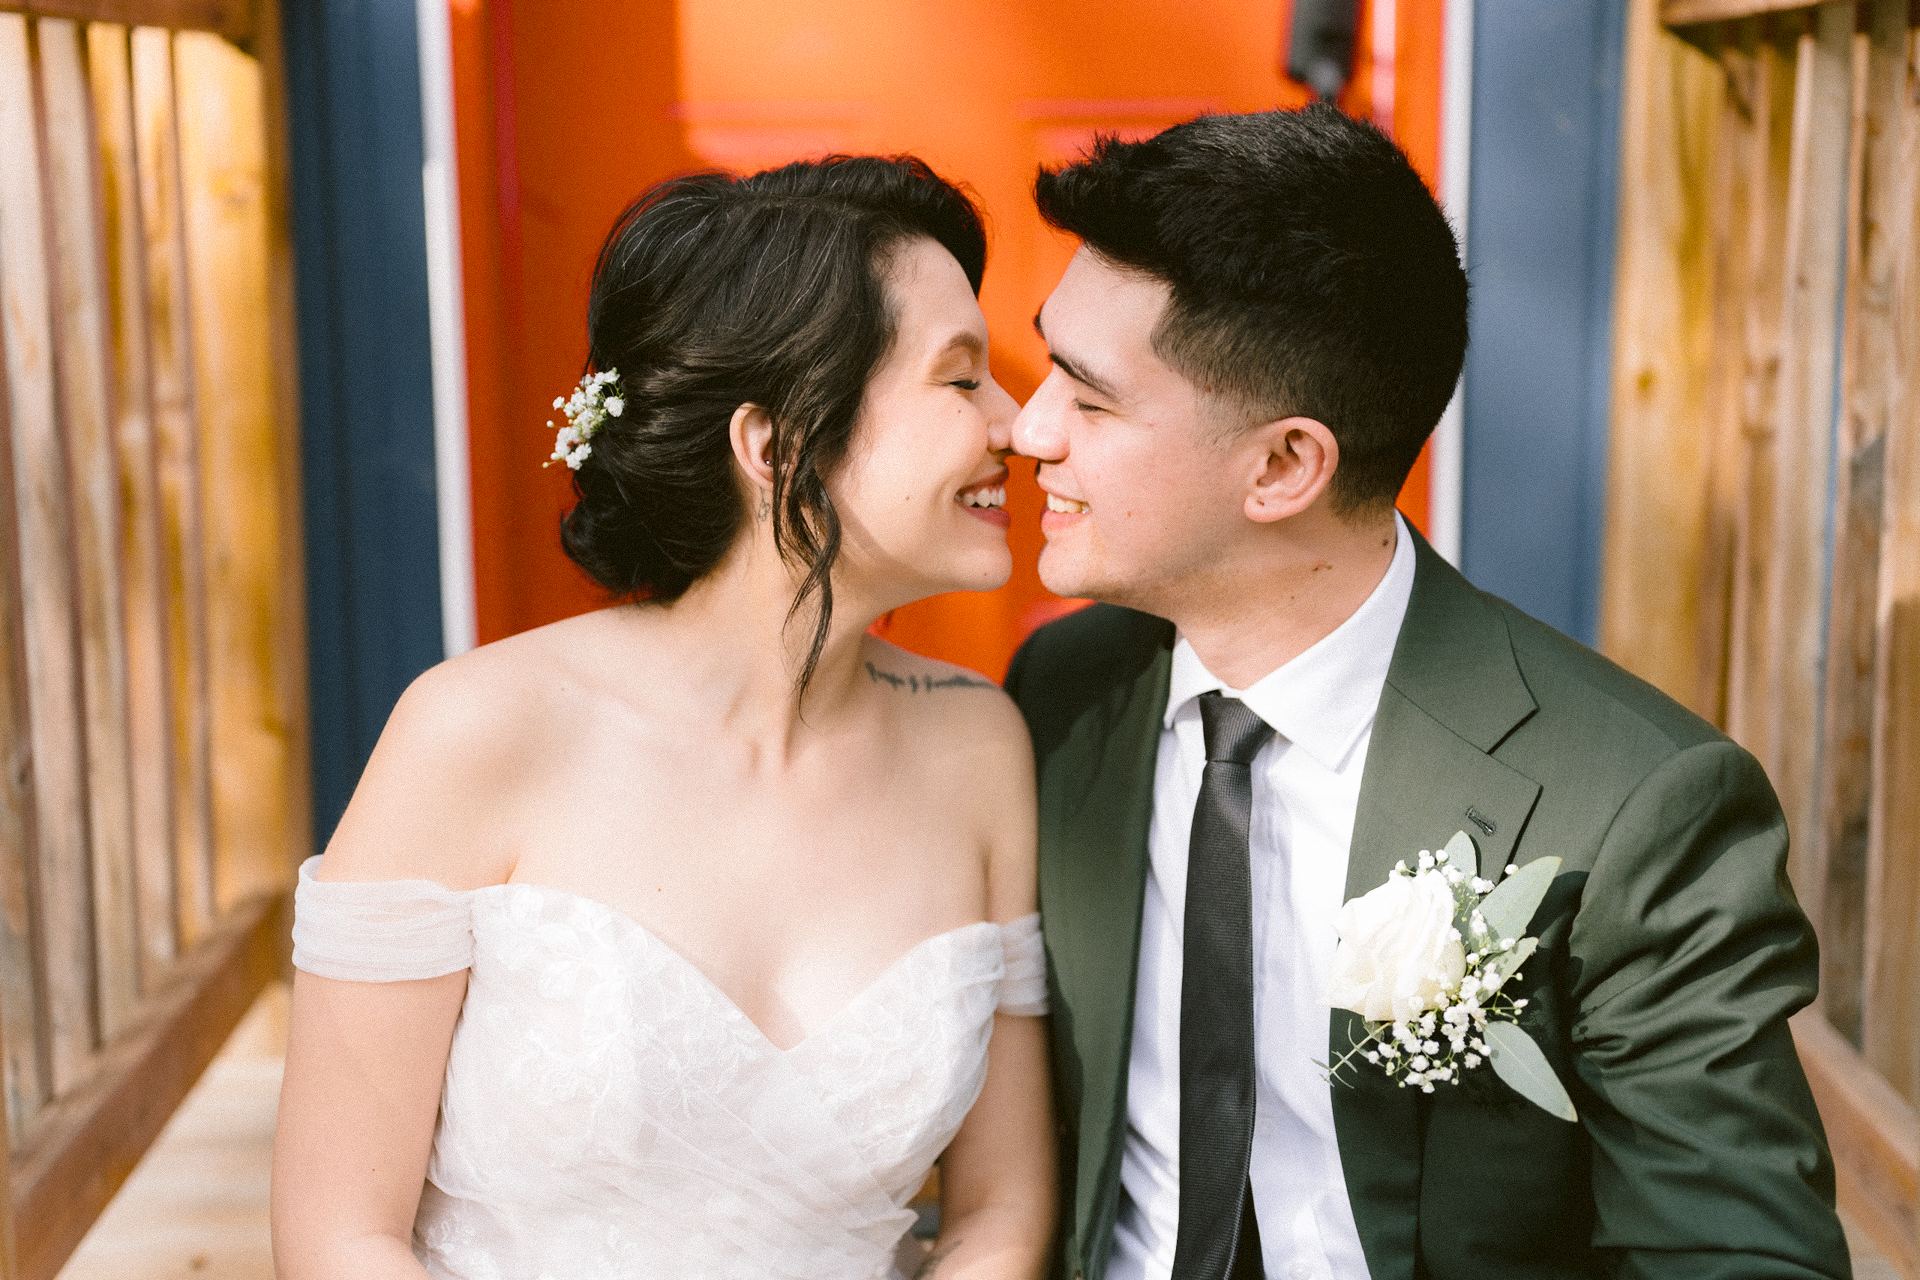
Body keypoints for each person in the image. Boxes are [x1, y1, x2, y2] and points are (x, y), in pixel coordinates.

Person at [1004, 105, 1850, 1280]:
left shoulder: (1635, 809)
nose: (1029, 428)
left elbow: (1738, 1256)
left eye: (1089, 399)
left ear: (1284, 465)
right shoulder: (1061, 691)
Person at [271, 155, 1055, 1280]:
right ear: (776, 445)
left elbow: (998, 1215)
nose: (1019, 425)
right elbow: (338, 1235)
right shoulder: (475, 731)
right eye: (962, 379)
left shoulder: (979, 747)